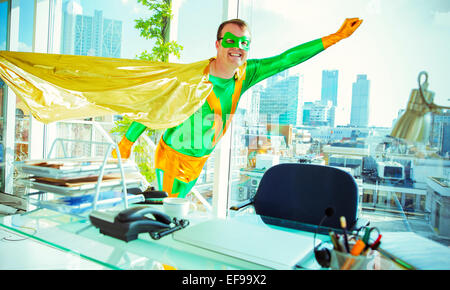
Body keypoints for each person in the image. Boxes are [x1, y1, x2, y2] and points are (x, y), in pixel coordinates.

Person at [113, 17, 363, 198]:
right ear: (218, 44)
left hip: (199, 160)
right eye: (231, 41)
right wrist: (127, 142)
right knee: (166, 212)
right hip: (171, 155)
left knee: (174, 211)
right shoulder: (192, 77)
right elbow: (156, 107)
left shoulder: (245, 74)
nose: (238, 48)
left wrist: (336, 37)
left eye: (244, 43)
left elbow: (286, 59)